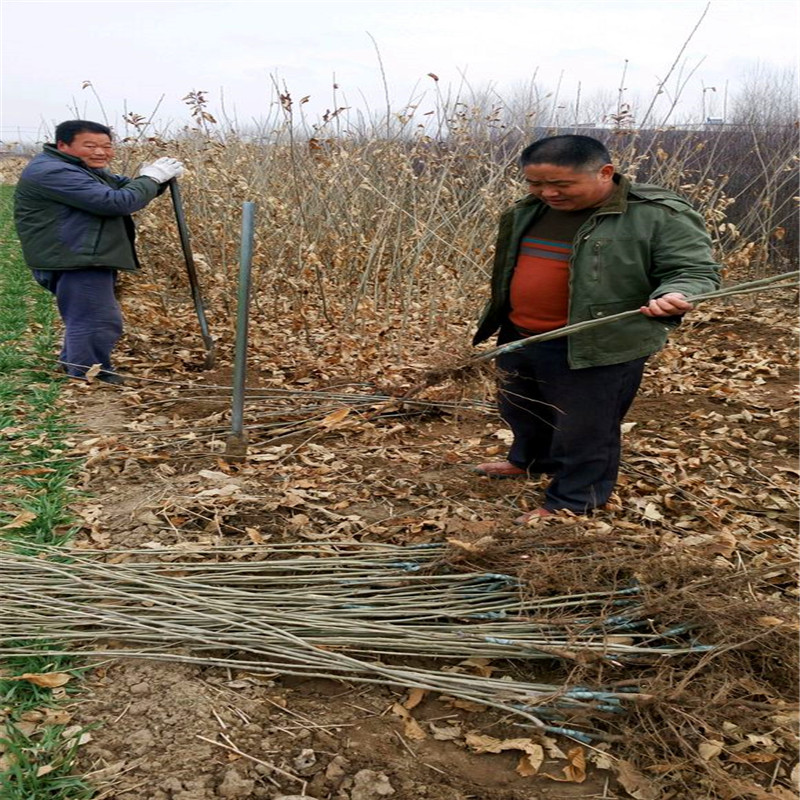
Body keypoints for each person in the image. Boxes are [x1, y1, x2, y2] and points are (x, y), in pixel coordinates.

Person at [472, 135, 721, 521]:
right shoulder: (530, 209)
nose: (547, 193)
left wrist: (675, 292)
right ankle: (533, 460)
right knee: (521, 406)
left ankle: (574, 500)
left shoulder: (657, 213)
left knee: (585, 428)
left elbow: (694, 270)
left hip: (595, 342)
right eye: (535, 183)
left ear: (605, 172)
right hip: (521, 332)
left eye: (561, 185)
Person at [13, 119, 184, 384]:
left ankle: (75, 367)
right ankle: (91, 378)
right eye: (89, 145)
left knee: (85, 316)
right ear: (63, 144)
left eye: (106, 146)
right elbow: (115, 202)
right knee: (97, 320)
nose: (100, 152)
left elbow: (120, 186)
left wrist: (154, 180)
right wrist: (150, 178)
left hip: (78, 254)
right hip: (76, 258)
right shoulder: (53, 172)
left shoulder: (75, 167)